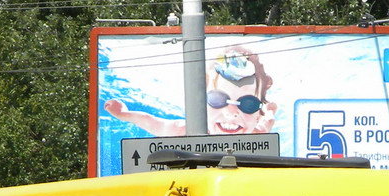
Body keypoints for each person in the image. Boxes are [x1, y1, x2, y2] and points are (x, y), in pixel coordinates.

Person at [103, 47, 278, 137]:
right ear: (202, 105)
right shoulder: (186, 131)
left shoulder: (257, 135)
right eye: (218, 99)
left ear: (257, 113)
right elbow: (154, 123)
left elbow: (268, 121)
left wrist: (270, 111)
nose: (231, 114)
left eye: (248, 104)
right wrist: (124, 114)